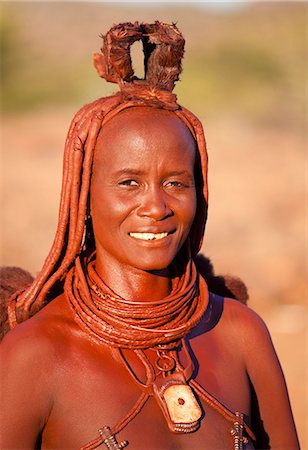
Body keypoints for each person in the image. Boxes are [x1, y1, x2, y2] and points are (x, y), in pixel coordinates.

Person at [0, 21, 299, 450]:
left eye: (177, 183)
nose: (156, 207)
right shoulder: (34, 354)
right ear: (82, 196)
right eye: (129, 183)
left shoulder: (241, 333)